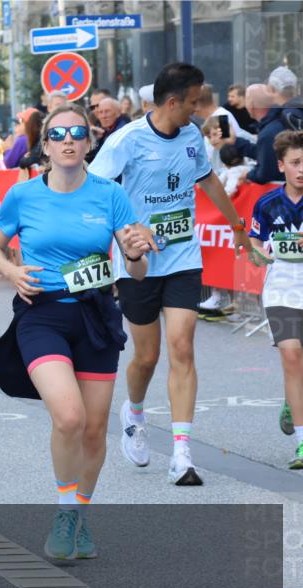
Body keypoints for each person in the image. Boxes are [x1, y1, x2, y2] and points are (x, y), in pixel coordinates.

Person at [0, 103, 154, 559]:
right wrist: (11, 272)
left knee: (95, 430)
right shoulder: (23, 196)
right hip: (42, 314)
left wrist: (137, 254)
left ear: (88, 142)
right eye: (58, 134)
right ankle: (63, 510)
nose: (68, 140)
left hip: (96, 316)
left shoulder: (109, 195)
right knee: (70, 417)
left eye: (77, 133)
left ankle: (80, 513)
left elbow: (136, 271)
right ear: (45, 145)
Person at [89, 62, 248, 485]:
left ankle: (181, 453)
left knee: (182, 347)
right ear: (173, 101)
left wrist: (237, 228)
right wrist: (128, 231)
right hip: (138, 264)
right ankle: (135, 414)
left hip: (183, 257)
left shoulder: (192, 135)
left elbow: (209, 181)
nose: (198, 111)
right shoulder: (126, 141)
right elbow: (93, 193)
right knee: (147, 357)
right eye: (193, 103)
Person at [247, 130, 303, 469]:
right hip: (282, 288)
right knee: (292, 355)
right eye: (296, 163)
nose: (302, 169)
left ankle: (291, 399)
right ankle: (301, 443)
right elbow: (254, 242)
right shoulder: (267, 203)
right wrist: (259, 256)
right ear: (281, 165)